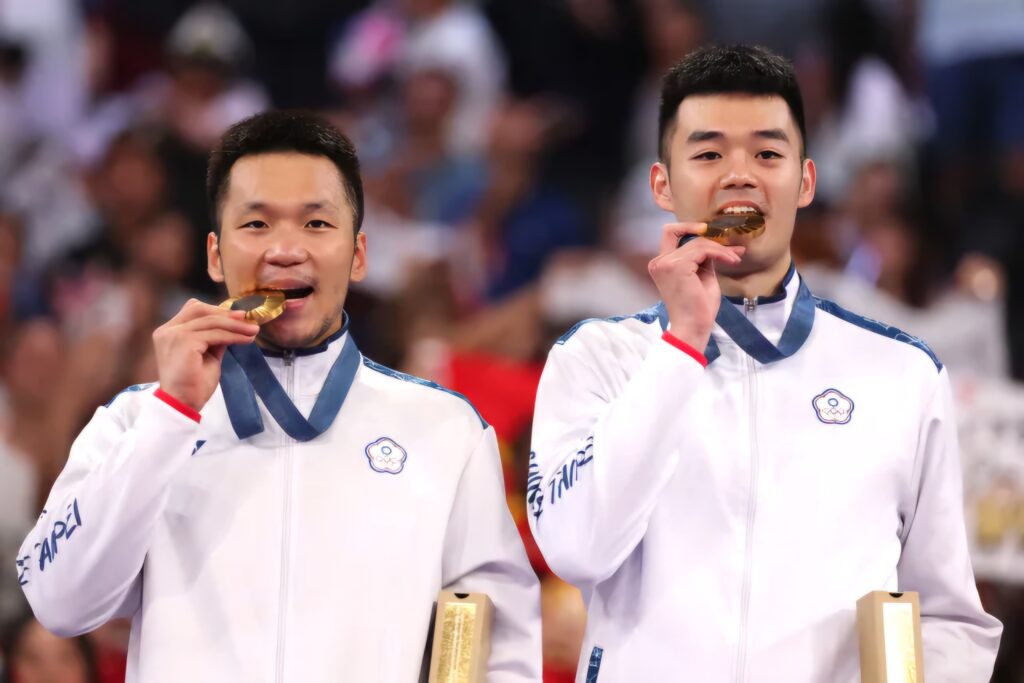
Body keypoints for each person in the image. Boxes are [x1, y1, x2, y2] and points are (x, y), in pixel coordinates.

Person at [526, 45, 1001, 682]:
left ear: (805, 182)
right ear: (661, 184)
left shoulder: (902, 374)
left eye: (768, 155)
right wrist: (682, 345)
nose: (740, 176)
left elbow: (950, 618)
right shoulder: (596, 359)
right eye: (708, 155)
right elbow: (577, 549)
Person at [16, 110, 542, 682]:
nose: (286, 249)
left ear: (358, 254)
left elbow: (490, 639)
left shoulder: (445, 430)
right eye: (257, 224)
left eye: (316, 223)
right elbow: (60, 602)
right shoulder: (136, 422)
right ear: (215, 255)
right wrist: (172, 416)